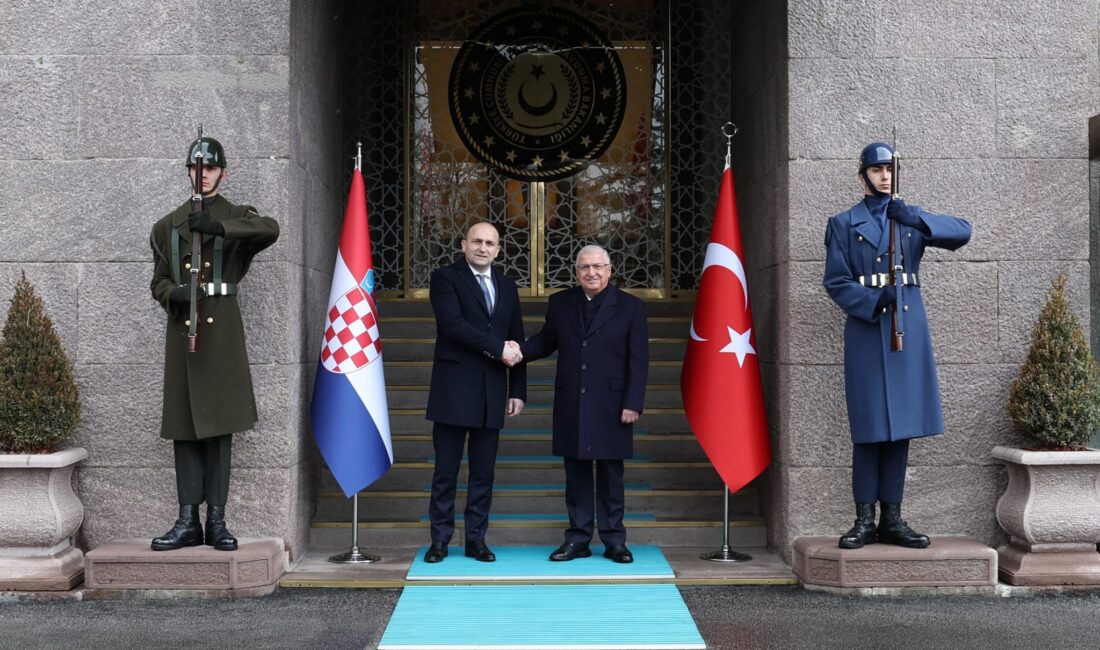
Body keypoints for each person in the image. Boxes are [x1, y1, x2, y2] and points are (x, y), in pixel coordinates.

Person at [823, 141, 971, 550]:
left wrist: (918, 221)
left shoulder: (908, 217)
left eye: (890, 169)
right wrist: (872, 301)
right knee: (869, 428)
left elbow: (963, 231)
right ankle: (863, 520)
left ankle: (893, 518)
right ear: (862, 176)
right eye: (876, 170)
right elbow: (835, 281)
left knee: (900, 428)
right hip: (869, 329)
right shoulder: (842, 223)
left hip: (907, 330)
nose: (884, 176)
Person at [149, 136, 279, 551]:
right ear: (187, 170)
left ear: (223, 171)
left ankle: (217, 521)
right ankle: (188, 519)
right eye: (196, 167)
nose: (202, 174)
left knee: (219, 428)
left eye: (210, 168)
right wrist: (175, 294)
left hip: (220, 329)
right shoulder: (167, 225)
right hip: (183, 328)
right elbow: (158, 281)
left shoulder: (238, 216)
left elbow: (269, 229)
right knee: (185, 429)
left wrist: (219, 227)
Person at [515, 245, 648, 564]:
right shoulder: (561, 303)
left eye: (598, 266)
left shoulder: (631, 307)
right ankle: (578, 539)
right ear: (576, 272)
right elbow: (546, 341)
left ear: (610, 269)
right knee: (575, 474)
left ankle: (615, 540)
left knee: (610, 475)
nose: (592, 272)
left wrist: (633, 402)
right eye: (585, 267)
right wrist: (517, 351)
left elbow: (639, 359)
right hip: (572, 400)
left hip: (614, 404)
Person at [423, 221, 526, 563]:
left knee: (483, 474)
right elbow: (452, 326)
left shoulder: (508, 286)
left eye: (490, 243)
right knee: (446, 472)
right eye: (477, 241)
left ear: (498, 250)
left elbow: (516, 339)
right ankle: (439, 540)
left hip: (492, 393)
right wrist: (498, 349)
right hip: (453, 391)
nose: (483, 247)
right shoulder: (445, 278)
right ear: (463, 244)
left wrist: (518, 391)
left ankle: (476, 541)